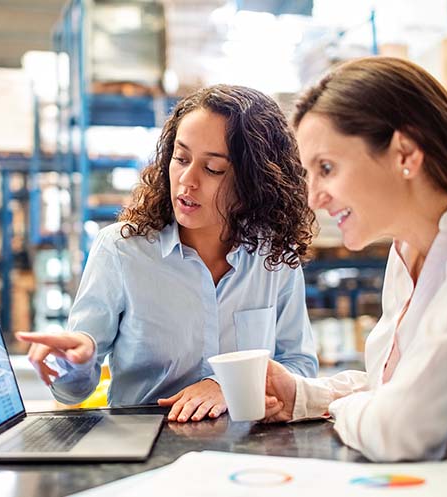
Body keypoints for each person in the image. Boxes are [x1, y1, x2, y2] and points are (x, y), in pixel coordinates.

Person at [262, 56, 447, 466]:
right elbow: (396, 387)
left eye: (326, 167)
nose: (314, 197)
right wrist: (302, 395)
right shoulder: (406, 252)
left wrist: (342, 409)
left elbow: (400, 427)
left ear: (405, 153)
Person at [18, 84, 319, 423]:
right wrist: (77, 362)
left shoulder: (274, 257)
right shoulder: (121, 250)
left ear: (255, 181)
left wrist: (227, 386)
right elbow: (73, 392)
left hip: (246, 450)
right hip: (146, 446)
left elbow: (300, 367)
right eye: (181, 158)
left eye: (213, 169)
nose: (187, 180)